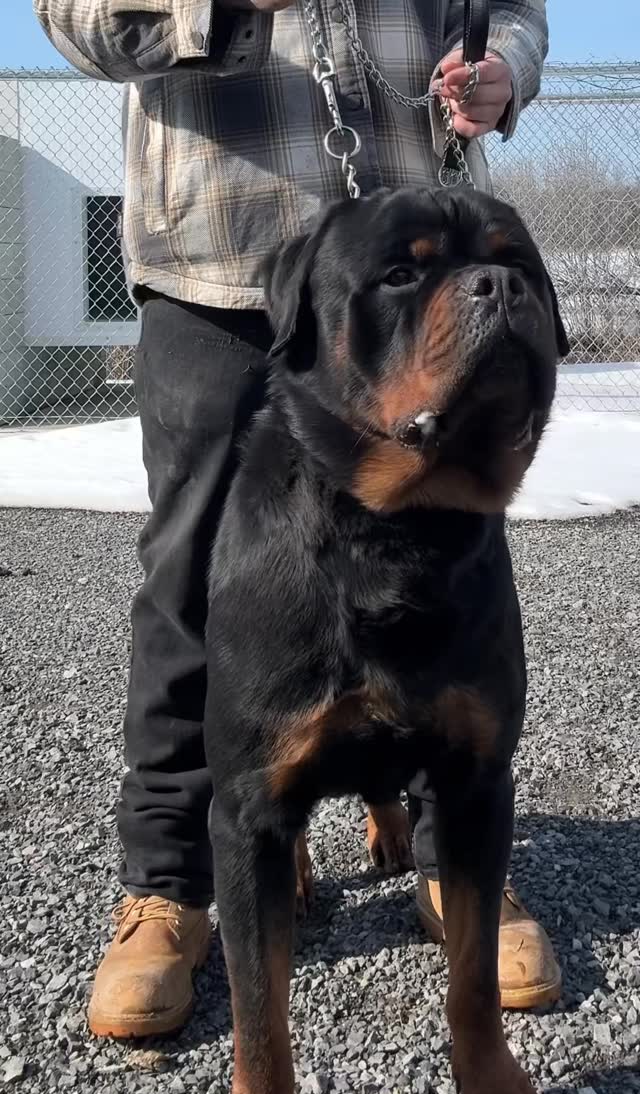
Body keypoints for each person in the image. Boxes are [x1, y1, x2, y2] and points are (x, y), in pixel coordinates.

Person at [37, 0, 562, 1040]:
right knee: (192, 570)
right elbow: (73, 14)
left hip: (421, 245)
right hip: (220, 249)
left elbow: (512, 8)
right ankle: (172, 880)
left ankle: (451, 861)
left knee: (457, 562)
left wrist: (505, 63)